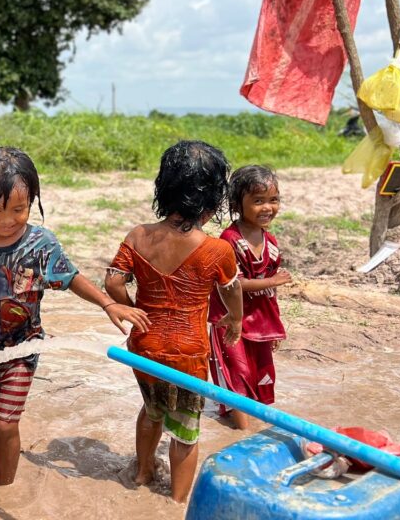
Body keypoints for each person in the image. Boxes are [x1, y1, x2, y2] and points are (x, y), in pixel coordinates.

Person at [0, 147, 150, 485]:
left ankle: (5, 488)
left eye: (18, 210)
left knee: (7, 423)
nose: (7, 220)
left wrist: (108, 304)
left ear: (31, 201)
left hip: (23, 348)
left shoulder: (41, 245)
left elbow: (71, 278)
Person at [103, 140, 243, 504]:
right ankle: (177, 502)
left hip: (144, 347)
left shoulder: (138, 236)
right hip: (188, 355)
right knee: (185, 430)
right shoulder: (218, 250)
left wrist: (133, 311)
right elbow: (231, 290)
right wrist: (235, 319)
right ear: (213, 199)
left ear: (164, 188)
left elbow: (113, 282)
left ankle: (142, 473)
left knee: (152, 410)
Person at [208, 165, 292, 431]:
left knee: (261, 373)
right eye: (258, 201)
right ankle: (243, 434)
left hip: (260, 320)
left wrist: (275, 326)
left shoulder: (271, 242)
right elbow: (233, 283)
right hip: (229, 320)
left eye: (273, 200)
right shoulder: (229, 240)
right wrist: (271, 281)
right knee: (238, 373)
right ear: (237, 204)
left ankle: (256, 429)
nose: (267, 207)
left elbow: (270, 292)